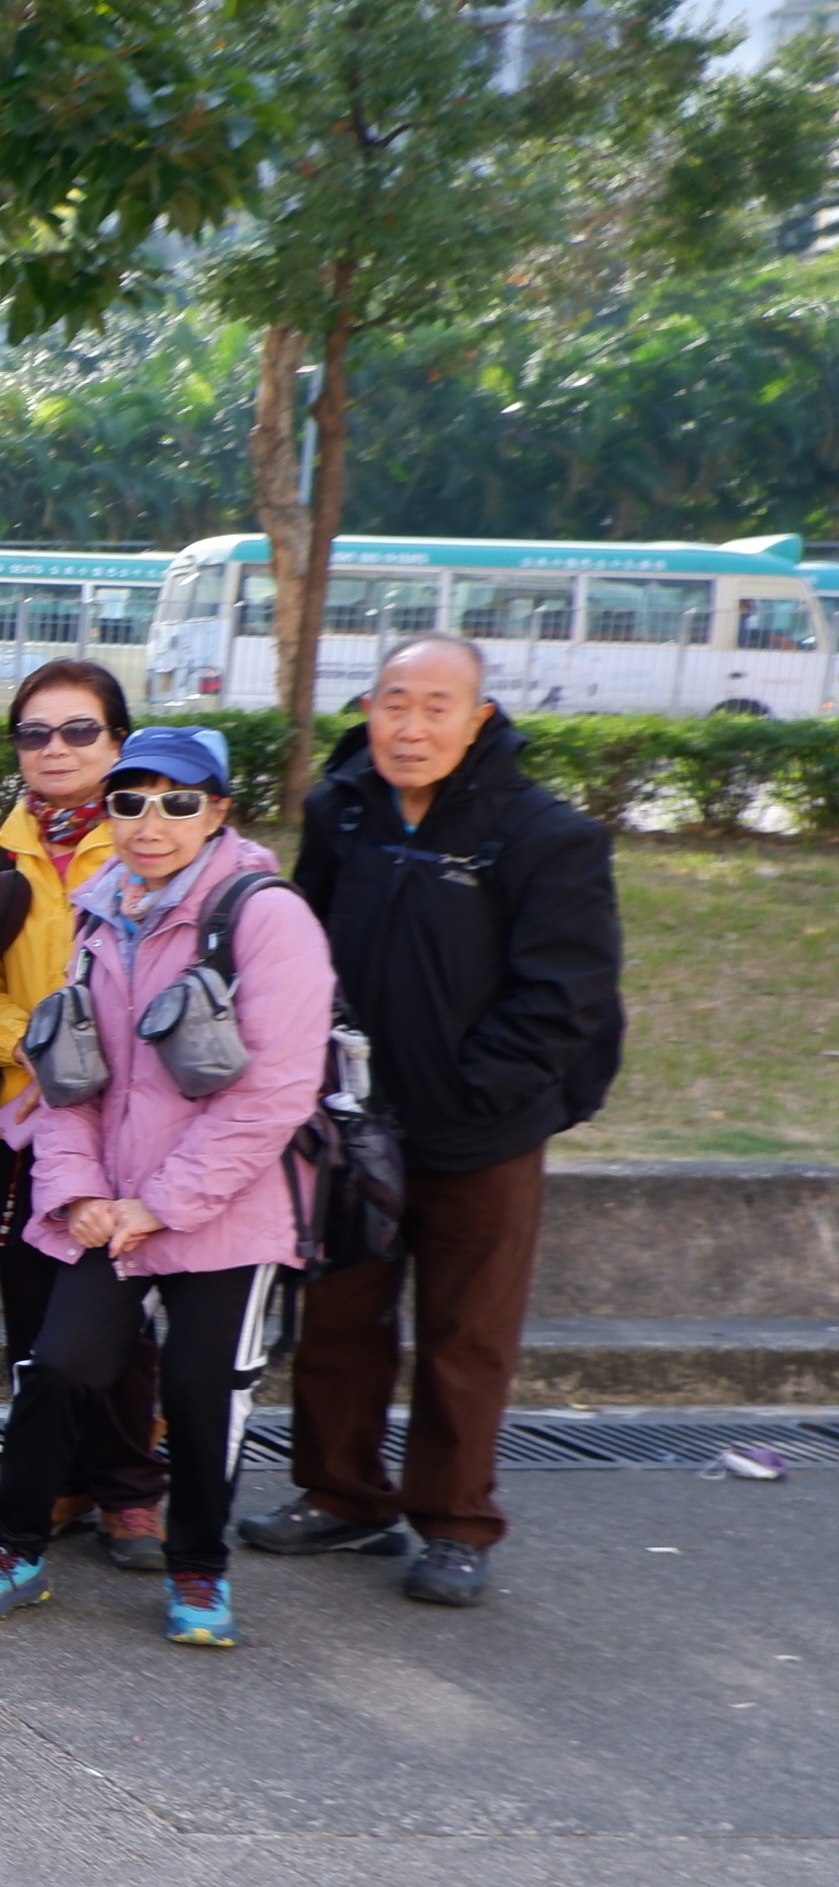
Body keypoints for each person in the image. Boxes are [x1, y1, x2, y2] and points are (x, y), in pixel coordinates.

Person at [243, 633, 625, 1607]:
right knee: (338, 1318)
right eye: (393, 703)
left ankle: (455, 1522)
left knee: (466, 1335)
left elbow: (568, 995)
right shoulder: (341, 809)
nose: (410, 728)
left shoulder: (545, 834)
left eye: (435, 707)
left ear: (478, 718)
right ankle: (342, 1494)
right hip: (352, 1125)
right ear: (369, 709)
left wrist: (473, 1092)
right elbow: (300, 951)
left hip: (483, 1136)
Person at [0, 728, 334, 1649]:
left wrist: (161, 1204)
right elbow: (69, 1075)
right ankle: (12, 1547)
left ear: (218, 810)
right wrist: (79, 1194)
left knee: (203, 1391)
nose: (150, 822)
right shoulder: (100, 911)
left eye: (178, 801)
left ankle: (199, 1567)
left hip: (225, 1211)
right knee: (58, 1367)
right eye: (129, 801)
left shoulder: (266, 916)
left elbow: (275, 1094)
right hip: (110, 1209)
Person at [0, 657, 167, 1568]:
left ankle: (131, 1488)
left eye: (79, 730)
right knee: (34, 1305)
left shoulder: (151, 842)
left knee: (122, 1307)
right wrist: (28, 1041)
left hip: (138, 1122)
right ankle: (53, 1477)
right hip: (33, 1116)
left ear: (117, 741)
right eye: (35, 733)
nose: (55, 748)